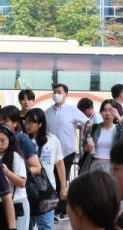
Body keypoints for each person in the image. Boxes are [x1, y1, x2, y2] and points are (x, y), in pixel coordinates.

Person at [25, 108, 67, 230]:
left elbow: (60, 163)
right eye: (26, 121)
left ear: (40, 124)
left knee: (46, 227)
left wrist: (63, 186)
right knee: (27, 228)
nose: (28, 125)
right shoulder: (21, 140)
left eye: (32, 122)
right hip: (27, 190)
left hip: (46, 191)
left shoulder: (52, 140)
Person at [45, 84, 92, 220]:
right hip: (50, 151)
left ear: (66, 94)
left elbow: (87, 121)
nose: (56, 94)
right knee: (50, 179)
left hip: (66, 151)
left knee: (62, 180)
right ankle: (53, 208)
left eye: (59, 92)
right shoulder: (48, 112)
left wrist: (87, 129)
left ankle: (62, 211)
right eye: (54, 91)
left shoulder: (72, 110)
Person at [80, 99, 123, 174]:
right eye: (104, 110)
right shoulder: (94, 128)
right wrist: (86, 147)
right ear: (101, 112)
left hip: (110, 167)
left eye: (111, 110)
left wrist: (120, 118)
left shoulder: (119, 129)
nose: (107, 114)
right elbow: (84, 142)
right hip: (93, 165)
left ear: (116, 112)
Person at [0, 106, 42, 176]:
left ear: (15, 123)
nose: (1, 123)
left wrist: (16, 175)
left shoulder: (24, 141)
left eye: (5, 121)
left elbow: (37, 168)